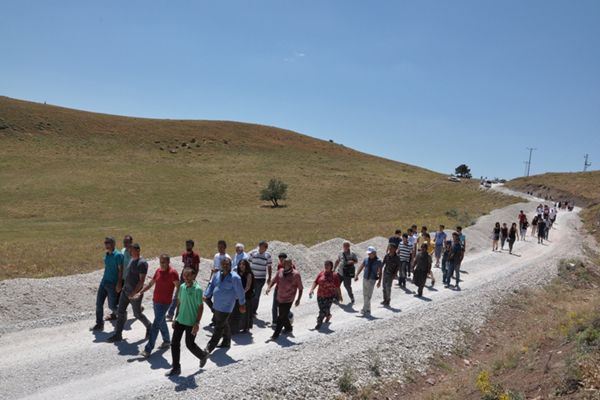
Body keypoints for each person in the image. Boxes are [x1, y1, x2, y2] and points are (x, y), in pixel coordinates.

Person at [166, 267, 208, 377]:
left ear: (194, 276)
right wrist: (175, 318)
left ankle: (203, 355)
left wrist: (197, 323)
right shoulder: (182, 287)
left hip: (191, 322)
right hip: (180, 320)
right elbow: (179, 303)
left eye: (189, 276)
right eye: (185, 276)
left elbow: (200, 307)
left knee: (190, 344)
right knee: (174, 343)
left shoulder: (198, 289)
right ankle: (176, 368)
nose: (187, 278)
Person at [107, 243, 152, 342]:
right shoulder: (131, 260)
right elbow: (128, 276)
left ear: (138, 250)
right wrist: (123, 287)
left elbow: (141, 281)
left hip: (134, 294)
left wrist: (134, 293)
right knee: (120, 312)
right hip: (125, 291)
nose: (129, 252)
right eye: (129, 250)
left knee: (137, 314)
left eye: (131, 250)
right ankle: (118, 334)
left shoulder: (142, 263)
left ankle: (149, 326)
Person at [137, 254, 180, 357]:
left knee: (155, 325)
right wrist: (140, 292)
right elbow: (151, 284)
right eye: (161, 262)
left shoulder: (173, 273)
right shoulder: (158, 271)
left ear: (168, 262)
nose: (162, 264)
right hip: (156, 301)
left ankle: (148, 349)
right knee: (161, 322)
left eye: (164, 262)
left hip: (165, 303)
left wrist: (176, 300)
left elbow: (179, 287)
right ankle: (166, 341)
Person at [203, 258, 247, 352]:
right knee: (224, 323)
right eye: (223, 264)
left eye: (227, 264)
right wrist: (207, 294)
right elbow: (212, 286)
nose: (225, 266)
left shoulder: (235, 277)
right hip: (217, 305)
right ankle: (226, 342)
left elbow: (240, 292)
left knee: (218, 326)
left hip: (227, 306)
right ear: (221, 265)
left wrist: (242, 304)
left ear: (231, 265)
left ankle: (209, 348)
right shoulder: (217, 274)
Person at [90, 237, 123, 331]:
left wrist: (119, 284)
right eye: (105, 243)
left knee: (111, 306)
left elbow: (121, 270)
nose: (106, 245)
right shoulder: (107, 254)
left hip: (112, 284)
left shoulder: (118, 255)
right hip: (104, 282)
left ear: (113, 244)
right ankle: (99, 324)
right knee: (98, 304)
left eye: (107, 243)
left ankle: (122, 314)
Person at [266, 259, 303, 340]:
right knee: (284, 315)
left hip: (289, 299)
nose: (286, 264)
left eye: (288, 263)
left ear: (291, 264)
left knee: (281, 316)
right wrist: (269, 288)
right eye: (284, 263)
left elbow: (300, 288)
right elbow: (274, 280)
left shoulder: (296, 274)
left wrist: (298, 299)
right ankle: (288, 328)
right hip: (280, 297)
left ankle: (275, 335)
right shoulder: (280, 271)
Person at [167, 239, 200, 321]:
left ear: (192, 246)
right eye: (186, 244)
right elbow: (185, 265)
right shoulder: (184, 254)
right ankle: (170, 313)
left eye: (189, 245)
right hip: (183, 277)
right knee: (177, 294)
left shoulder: (195, 256)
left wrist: (193, 278)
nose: (187, 246)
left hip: (191, 278)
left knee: (188, 296)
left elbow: (197, 268)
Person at [309, 260, 341, 330]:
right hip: (320, 295)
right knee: (323, 309)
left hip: (329, 296)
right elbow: (316, 282)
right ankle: (328, 315)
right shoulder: (321, 273)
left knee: (322, 311)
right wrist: (312, 289)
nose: (326, 266)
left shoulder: (334, 275)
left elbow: (337, 286)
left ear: (331, 266)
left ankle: (319, 322)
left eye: (328, 265)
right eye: (325, 265)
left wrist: (339, 295)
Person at [354, 246, 382, 316]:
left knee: (368, 295)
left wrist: (379, 282)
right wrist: (357, 275)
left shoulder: (378, 261)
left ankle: (364, 309)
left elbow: (381, 272)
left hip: (372, 280)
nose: (368, 255)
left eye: (370, 253)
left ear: (374, 253)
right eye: (368, 253)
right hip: (365, 278)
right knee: (365, 294)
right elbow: (361, 266)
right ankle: (368, 310)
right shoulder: (366, 259)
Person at [248, 241, 273, 317]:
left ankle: (253, 311)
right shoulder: (253, 253)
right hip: (252, 278)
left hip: (261, 279)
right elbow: (248, 264)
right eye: (262, 246)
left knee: (257, 295)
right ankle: (248, 310)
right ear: (259, 246)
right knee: (250, 294)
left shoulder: (268, 255)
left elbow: (269, 267)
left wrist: (269, 277)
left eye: (265, 247)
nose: (264, 248)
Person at [234, 259, 254, 333]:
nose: (241, 266)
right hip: (238, 295)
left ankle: (246, 327)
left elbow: (247, 287)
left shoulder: (249, 275)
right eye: (240, 264)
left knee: (245, 312)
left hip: (246, 295)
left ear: (246, 266)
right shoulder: (237, 273)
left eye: (243, 264)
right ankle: (238, 327)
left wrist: (241, 294)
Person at [378, 243, 401, 307]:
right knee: (384, 287)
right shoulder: (387, 256)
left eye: (391, 248)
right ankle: (385, 299)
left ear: (395, 249)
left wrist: (395, 274)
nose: (390, 249)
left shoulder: (397, 258)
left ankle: (388, 300)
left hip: (391, 274)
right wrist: (379, 270)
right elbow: (383, 263)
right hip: (385, 273)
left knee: (388, 287)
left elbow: (398, 266)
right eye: (389, 248)